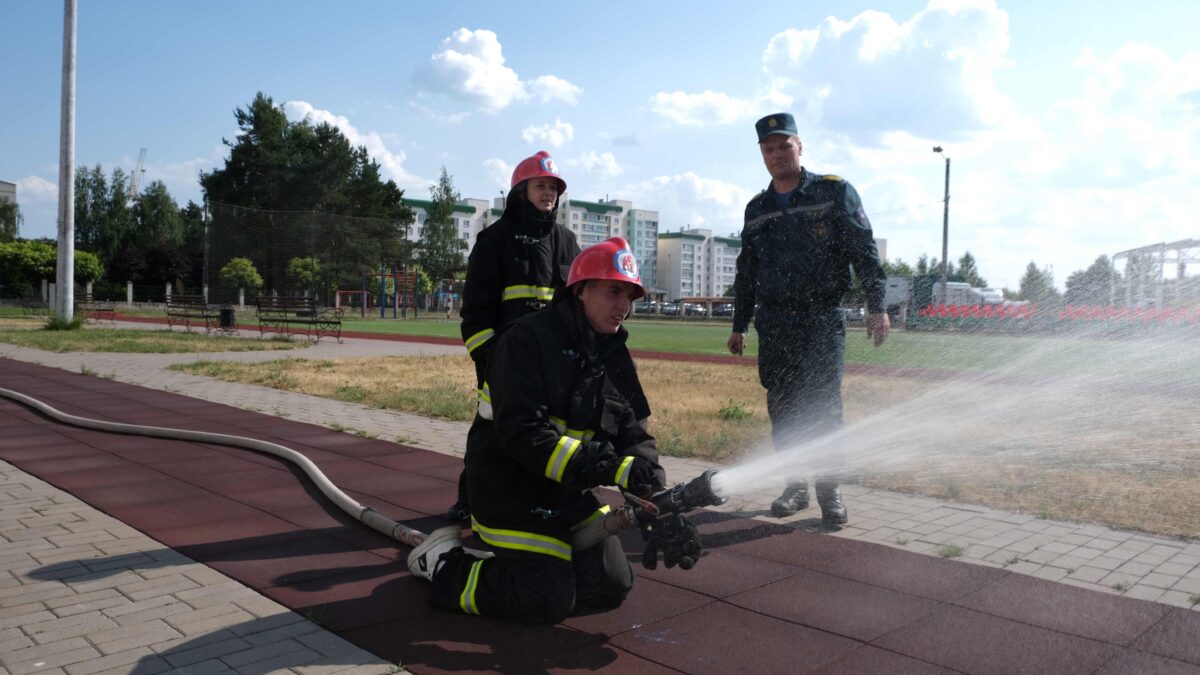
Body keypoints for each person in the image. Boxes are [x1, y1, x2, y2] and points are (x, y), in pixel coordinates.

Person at [409, 238, 688, 624]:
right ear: (580, 291)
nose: (623, 305)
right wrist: (606, 467)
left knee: (611, 585)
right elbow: (522, 433)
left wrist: (657, 505)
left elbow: (634, 438)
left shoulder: (614, 358)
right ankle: (445, 566)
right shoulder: (526, 340)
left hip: (566, 491)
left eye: (629, 295)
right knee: (545, 598)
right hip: (508, 490)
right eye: (613, 291)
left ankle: (538, 567)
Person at [726, 112, 890, 524]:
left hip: (820, 319)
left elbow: (864, 252)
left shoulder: (834, 193)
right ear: (762, 155)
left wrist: (877, 306)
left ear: (800, 146)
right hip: (775, 322)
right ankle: (794, 487)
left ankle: (829, 492)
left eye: (785, 145)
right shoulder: (757, 208)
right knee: (783, 407)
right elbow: (746, 271)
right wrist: (738, 324)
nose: (777, 153)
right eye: (769, 148)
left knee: (823, 408)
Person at [447, 150, 582, 522]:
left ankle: (539, 501)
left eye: (554, 188)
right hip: (502, 360)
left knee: (547, 431)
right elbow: (475, 310)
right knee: (490, 433)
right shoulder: (494, 240)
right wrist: (491, 358)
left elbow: (578, 305)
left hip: (552, 360)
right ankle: (470, 500)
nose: (549, 194)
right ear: (521, 191)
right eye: (541, 186)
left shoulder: (567, 242)